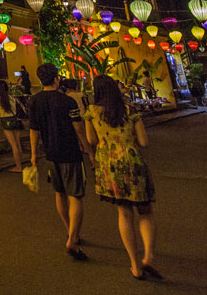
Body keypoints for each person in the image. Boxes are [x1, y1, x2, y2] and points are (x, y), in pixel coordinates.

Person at [84, 76, 159, 280]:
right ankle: (149, 256)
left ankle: (135, 265)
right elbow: (144, 142)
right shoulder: (130, 110)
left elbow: (91, 140)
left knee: (124, 213)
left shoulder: (91, 113)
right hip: (133, 161)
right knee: (145, 211)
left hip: (110, 166)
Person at [29, 63, 93, 261]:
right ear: (56, 79)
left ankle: (70, 231)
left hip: (50, 153)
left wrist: (33, 154)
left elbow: (34, 129)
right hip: (70, 152)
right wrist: (88, 150)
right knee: (75, 196)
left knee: (59, 193)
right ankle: (72, 239)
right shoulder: (67, 101)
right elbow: (78, 129)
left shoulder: (34, 101)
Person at [0, 78, 23, 173]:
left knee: (13, 145)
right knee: (18, 144)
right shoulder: (12, 97)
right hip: (14, 119)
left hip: (5, 121)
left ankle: (18, 167)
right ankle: (20, 164)